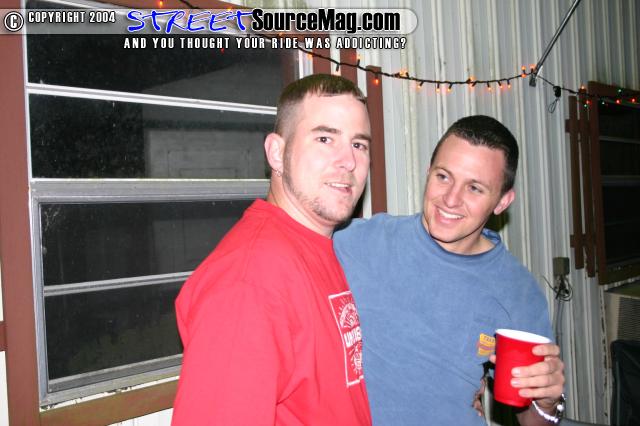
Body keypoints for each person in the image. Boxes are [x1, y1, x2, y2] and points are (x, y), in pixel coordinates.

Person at [334, 115, 565, 425]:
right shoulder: (359, 241)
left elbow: (532, 421)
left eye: (475, 188)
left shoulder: (518, 292)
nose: (451, 199)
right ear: (428, 172)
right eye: (443, 176)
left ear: (502, 202)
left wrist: (547, 404)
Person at [172, 74, 373, 425]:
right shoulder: (249, 280)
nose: (349, 161)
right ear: (277, 153)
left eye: (359, 144)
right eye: (325, 138)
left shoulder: (313, 245)